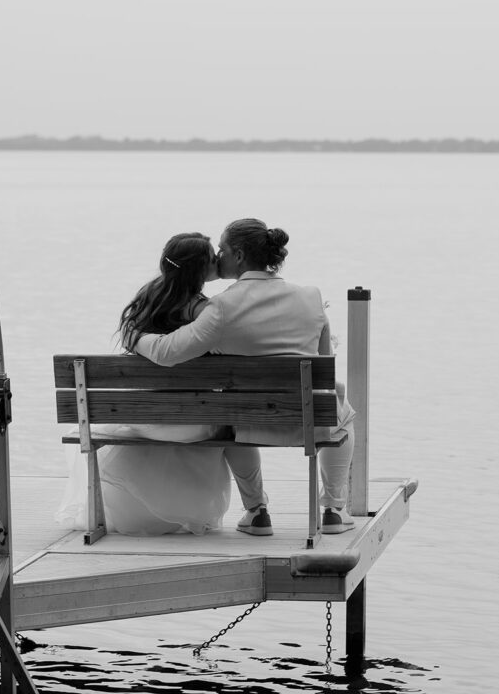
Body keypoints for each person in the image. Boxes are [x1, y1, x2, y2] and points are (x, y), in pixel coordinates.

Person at [133, 218, 356, 537]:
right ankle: (334, 510)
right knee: (342, 412)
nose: (217, 256)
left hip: (248, 423)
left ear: (238, 255)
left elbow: (167, 352)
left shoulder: (222, 306)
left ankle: (257, 511)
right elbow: (324, 364)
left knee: (230, 412)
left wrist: (135, 338)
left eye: (221, 250)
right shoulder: (311, 296)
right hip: (309, 420)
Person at [55, 233, 232, 536]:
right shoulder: (205, 311)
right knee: (220, 424)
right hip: (192, 423)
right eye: (212, 258)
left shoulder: (145, 301)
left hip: (144, 416)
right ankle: (189, 511)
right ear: (200, 269)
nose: (217, 260)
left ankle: (141, 512)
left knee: (146, 425)